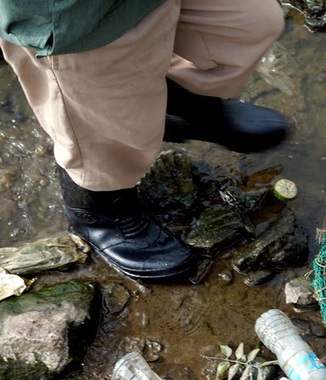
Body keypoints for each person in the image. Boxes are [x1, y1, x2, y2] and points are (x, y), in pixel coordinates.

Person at [0, 0, 288, 281]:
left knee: (253, 24)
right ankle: (98, 213)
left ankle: (174, 108)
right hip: (77, 18)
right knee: (99, 134)